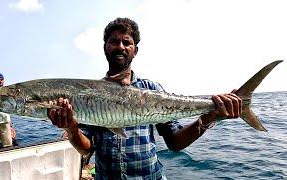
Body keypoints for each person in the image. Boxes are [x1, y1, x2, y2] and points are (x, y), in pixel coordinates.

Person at [47, 18, 242, 179]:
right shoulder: (88, 93)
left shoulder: (151, 89)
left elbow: (175, 143)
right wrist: (71, 129)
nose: (120, 46)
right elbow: (87, 149)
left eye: (127, 42)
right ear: (105, 47)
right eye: (114, 41)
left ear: (135, 50)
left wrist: (209, 117)